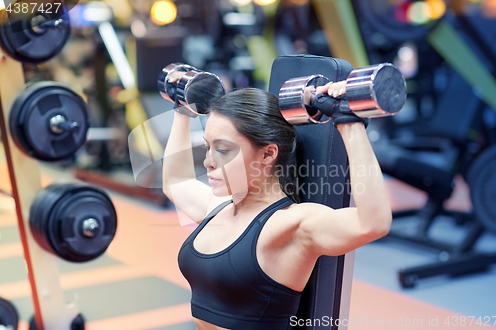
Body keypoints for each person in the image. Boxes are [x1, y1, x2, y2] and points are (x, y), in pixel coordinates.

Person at [162, 79, 392, 330]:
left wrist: (350, 123)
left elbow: (373, 223)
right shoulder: (217, 207)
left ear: (267, 154)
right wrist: (183, 108)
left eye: (223, 150)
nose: (208, 162)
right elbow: (174, 181)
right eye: (207, 147)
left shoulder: (291, 224)